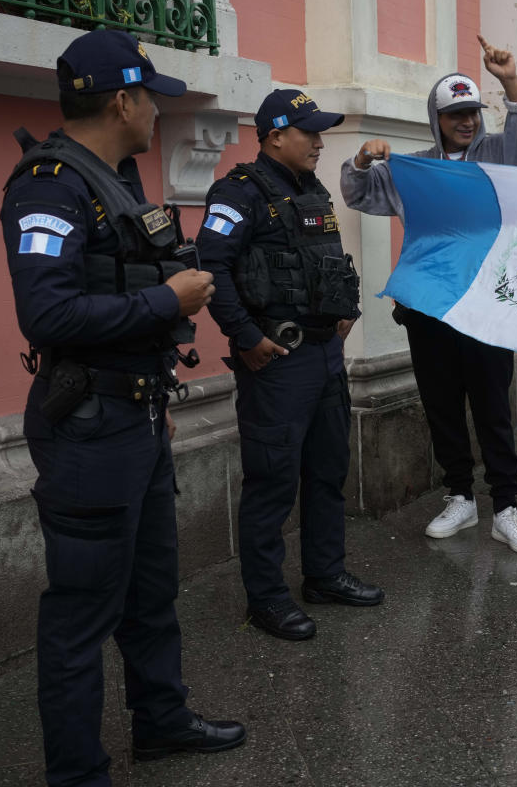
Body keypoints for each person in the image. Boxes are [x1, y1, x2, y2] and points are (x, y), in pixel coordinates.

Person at [0, 29, 245, 786]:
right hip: (88, 431)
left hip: (135, 416)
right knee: (79, 617)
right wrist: (165, 300)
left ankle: (161, 722)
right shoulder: (49, 185)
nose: (155, 112)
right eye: (150, 99)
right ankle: (78, 774)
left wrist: (153, 386)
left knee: (150, 592)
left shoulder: (117, 178)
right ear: (120, 100)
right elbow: (47, 316)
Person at [341, 35, 517, 554]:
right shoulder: (414, 168)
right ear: (437, 119)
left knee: (493, 407)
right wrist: (363, 157)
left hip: (487, 306)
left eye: (472, 112)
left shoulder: (499, 154)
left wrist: (510, 81)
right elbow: (358, 193)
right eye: (456, 114)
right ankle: (460, 496)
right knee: (442, 406)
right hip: (429, 307)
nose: (468, 122)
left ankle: (506, 507)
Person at [197, 89, 383, 642]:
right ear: (275, 135)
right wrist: (245, 335)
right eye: (310, 132)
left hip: (324, 357)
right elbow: (212, 265)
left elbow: (324, 263)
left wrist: (343, 315)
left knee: (327, 473)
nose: (320, 142)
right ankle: (266, 599)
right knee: (272, 484)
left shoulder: (313, 189)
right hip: (277, 362)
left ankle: (324, 575)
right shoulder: (238, 193)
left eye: (321, 132)